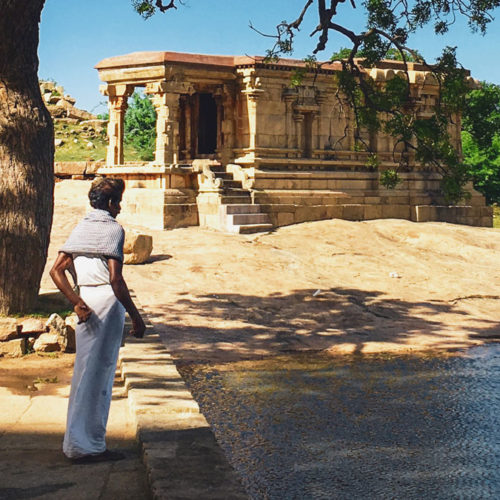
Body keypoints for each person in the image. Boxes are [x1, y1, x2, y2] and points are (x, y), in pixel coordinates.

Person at [50, 177, 146, 464]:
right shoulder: (113, 230)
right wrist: (136, 317)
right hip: (105, 303)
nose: (119, 208)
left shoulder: (80, 228)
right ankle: (89, 446)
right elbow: (116, 281)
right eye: (117, 202)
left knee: (84, 374)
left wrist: (77, 301)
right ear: (109, 203)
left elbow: (56, 270)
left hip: (87, 303)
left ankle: (77, 442)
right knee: (100, 375)